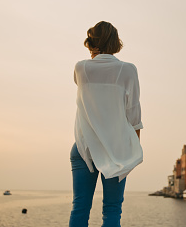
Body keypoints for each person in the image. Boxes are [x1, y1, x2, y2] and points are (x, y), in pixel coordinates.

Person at [69, 21, 143, 227]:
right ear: (115, 42)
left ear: (91, 43)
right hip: (116, 148)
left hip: (84, 147)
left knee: (80, 207)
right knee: (112, 209)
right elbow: (134, 114)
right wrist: (134, 147)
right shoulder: (128, 70)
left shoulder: (80, 68)